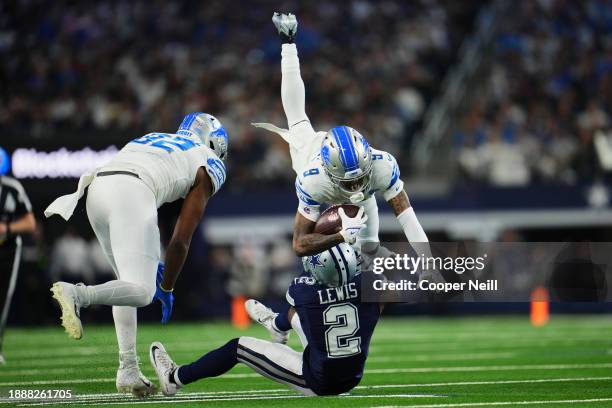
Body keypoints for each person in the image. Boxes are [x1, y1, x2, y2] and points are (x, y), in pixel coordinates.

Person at [44, 113, 228, 397]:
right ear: (215, 143)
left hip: (97, 189)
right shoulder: (208, 159)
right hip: (132, 191)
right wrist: (167, 286)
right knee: (143, 292)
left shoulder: (156, 137)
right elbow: (181, 239)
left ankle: (128, 368)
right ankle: (78, 295)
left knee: (125, 284)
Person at [253, 13, 435, 272]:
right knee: (296, 119)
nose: (356, 187)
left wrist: (428, 264)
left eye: (360, 178)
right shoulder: (312, 179)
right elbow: (299, 244)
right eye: (349, 182)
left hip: (363, 206)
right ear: (331, 172)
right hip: (312, 154)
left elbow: (407, 218)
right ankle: (288, 41)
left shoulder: (382, 165)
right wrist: (339, 237)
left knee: (369, 256)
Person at [149, 243, 382, 396]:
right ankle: (276, 326)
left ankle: (174, 378)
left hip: (317, 379)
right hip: (352, 375)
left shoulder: (304, 290)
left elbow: (309, 284)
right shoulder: (371, 284)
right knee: (308, 315)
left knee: (237, 347)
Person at [0, 147, 37, 364]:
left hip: (7, 250)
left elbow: (30, 222)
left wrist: (5, 227)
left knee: (3, 297)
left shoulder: (12, 189)